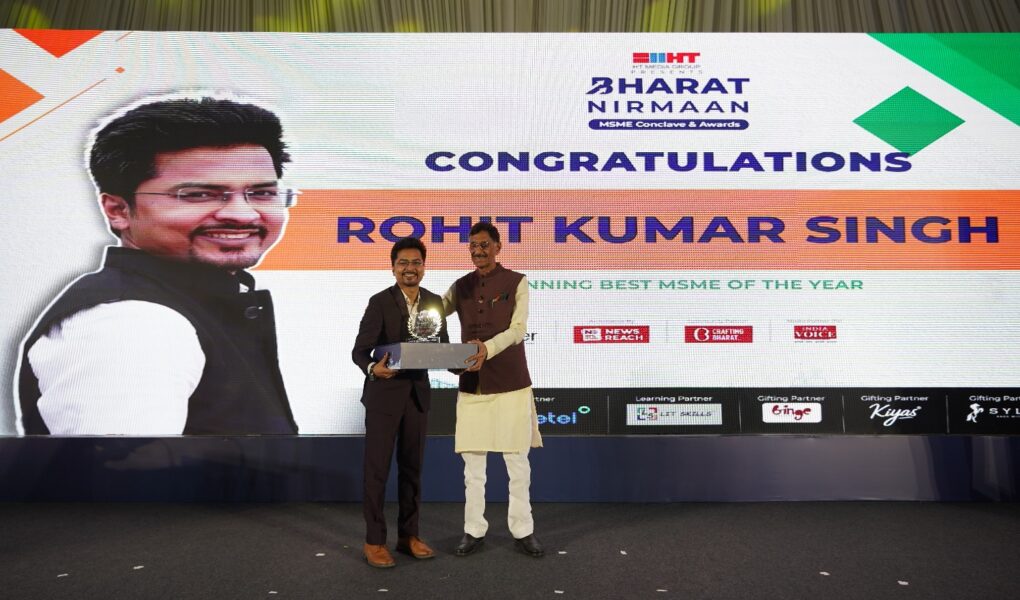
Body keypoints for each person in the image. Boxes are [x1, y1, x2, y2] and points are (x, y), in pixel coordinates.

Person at [14, 95, 299, 435]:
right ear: (118, 210)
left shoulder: (197, 305)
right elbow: (122, 469)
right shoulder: (133, 323)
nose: (242, 214)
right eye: (198, 195)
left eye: (262, 193)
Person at [443, 222, 544, 558]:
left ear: (498, 247)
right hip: (472, 385)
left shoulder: (517, 281)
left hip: (511, 382)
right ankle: (473, 530)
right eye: (473, 245)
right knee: (473, 469)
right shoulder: (460, 286)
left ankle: (523, 530)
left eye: (484, 244)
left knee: (517, 465)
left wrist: (487, 348)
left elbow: (518, 330)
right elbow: (435, 311)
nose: (478, 251)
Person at [352, 237, 448, 568]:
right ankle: (374, 541)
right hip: (383, 396)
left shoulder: (434, 302)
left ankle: (409, 536)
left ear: (424, 266)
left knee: (412, 470)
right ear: (393, 268)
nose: (410, 268)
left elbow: (442, 348)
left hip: (417, 396)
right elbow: (359, 351)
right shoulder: (379, 302)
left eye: (416, 262)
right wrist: (373, 369)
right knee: (377, 471)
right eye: (403, 263)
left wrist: (464, 360)